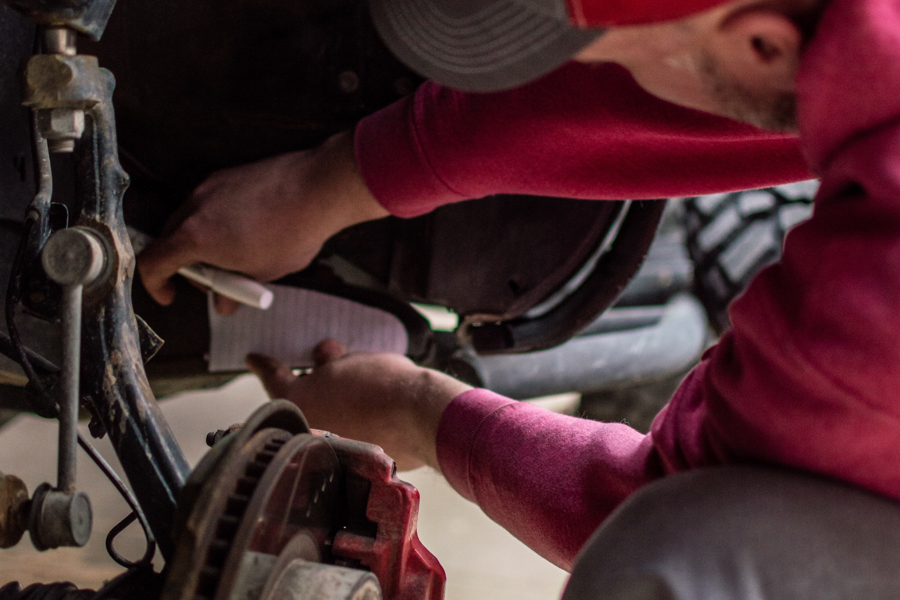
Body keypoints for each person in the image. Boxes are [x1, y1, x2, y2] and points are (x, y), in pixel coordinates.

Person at [140, 0, 900, 592]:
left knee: (681, 558)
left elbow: (643, 500)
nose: (603, 72)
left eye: (608, 57)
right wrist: (330, 184)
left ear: (761, 43)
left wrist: (418, 412)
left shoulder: (870, 297)